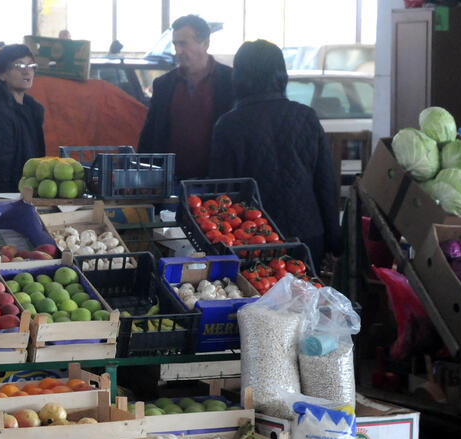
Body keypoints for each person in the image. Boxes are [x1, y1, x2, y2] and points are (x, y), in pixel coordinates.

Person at [209, 39, 341, 262]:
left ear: (238, 76)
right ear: (281, 73)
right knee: (306, 286)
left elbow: (223, 193)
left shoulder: (229, 125)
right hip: (308, 236)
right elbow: (325, 183)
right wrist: (334, 239)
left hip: (254, 239)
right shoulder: (306, 117)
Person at [138, 14, 233, 180]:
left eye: (183, 44)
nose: (178, 51)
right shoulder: (164, 85)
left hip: (217, 182)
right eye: (175, 44)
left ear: (205, 43)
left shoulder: (230, 82)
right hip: (170, 182)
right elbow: (150, 134)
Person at [0, 44, 46, 197]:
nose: (27, 71)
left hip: (24, 196)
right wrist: (4, 204)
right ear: (2, 74)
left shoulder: (31, 110)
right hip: (0, 200)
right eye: (19, 66)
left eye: (31, 66)